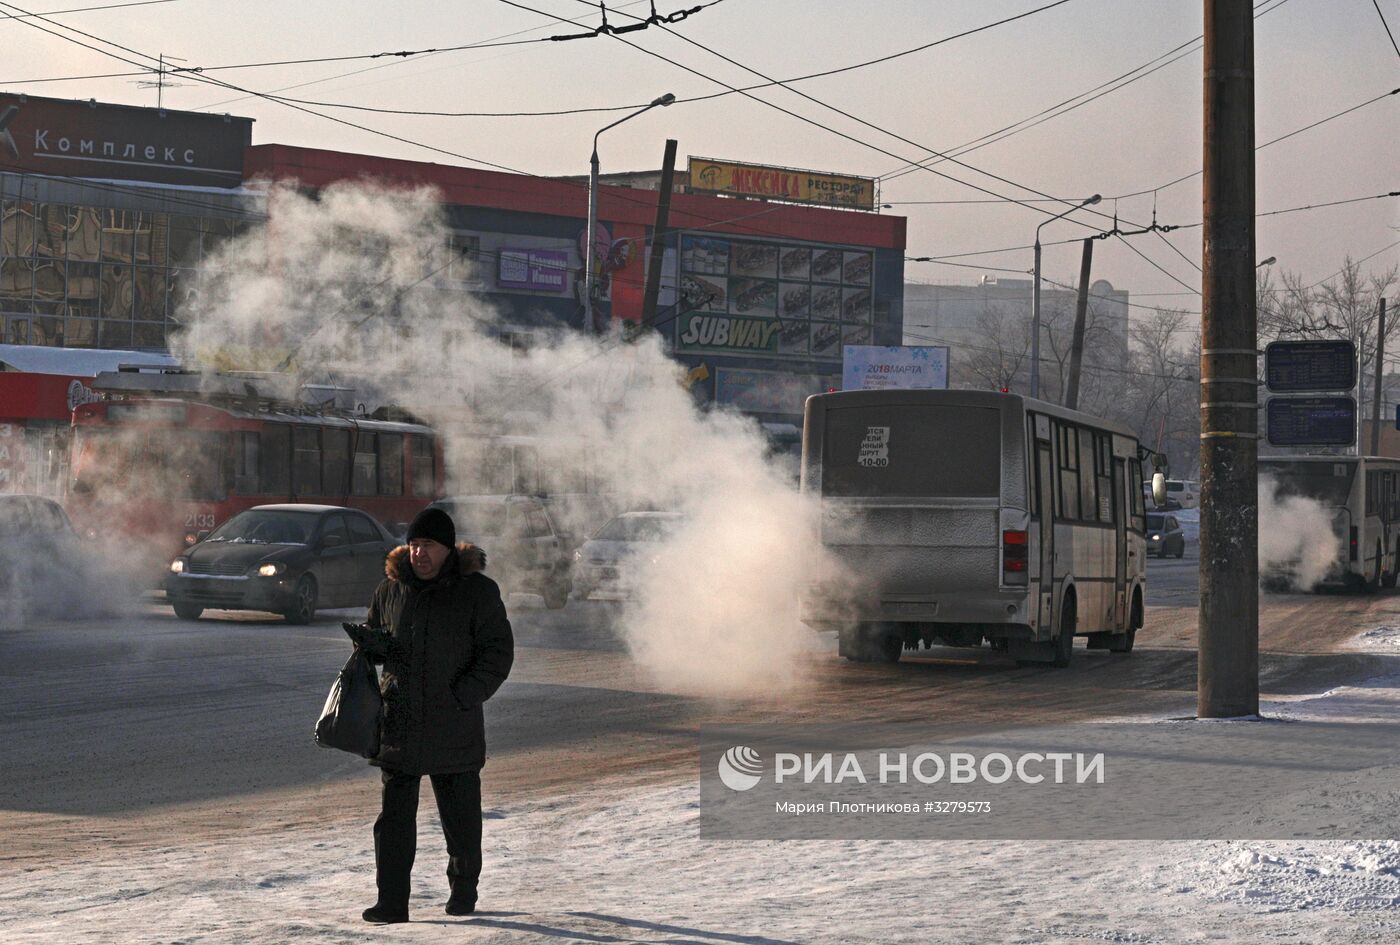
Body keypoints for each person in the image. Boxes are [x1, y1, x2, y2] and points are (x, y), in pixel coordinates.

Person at [348, 506, 514, 925]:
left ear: (447, 550)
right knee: (394, 821)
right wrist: (370, 646)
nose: (419, 553)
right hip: (400, 719)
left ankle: (463, 889)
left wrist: (467, 694)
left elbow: (497, 651)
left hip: (452, 720)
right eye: (414, 544)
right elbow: (381, 636)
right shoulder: (390, 590)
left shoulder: (476, 591)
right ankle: (391, 902)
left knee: (459, 818)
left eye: (429, 546)